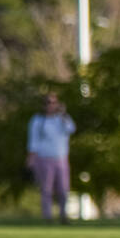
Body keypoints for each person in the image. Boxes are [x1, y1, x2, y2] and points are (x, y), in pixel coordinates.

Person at [26, 92, 77, 224]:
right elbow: (33, 140)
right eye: (48, 102)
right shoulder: (38, 120)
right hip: (44, 158)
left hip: (61, 158)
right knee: (46, 190)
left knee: (63, 189)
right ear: (43, 105)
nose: (50, 105)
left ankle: (63, 216)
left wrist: (63, 114)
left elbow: (71, 129)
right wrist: (31, 158)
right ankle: (47, 217)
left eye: (53, 102)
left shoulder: (62, 119)